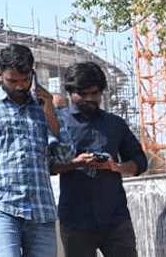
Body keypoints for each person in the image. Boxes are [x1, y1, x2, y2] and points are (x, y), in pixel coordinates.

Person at [0, 44, 71, 257]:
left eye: (25, 80)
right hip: (3, 206)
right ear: (0, 75)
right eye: (13, 81)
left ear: (33, 74)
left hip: (42, 209)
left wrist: (49, 111)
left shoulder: (46, 110)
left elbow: (66, 155)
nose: (20, 86)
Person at [49, 62, 146, 257]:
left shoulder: (114, 123)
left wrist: (116, 166)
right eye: (82, 94)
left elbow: (140, 162)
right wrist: (76, 163)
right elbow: (47, 165)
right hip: (75, 221)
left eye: (94, 93)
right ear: (70, 92)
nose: (89, 99)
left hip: (116, 219)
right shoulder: (59, 123)